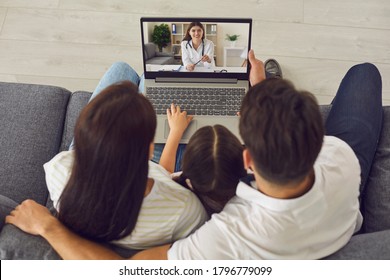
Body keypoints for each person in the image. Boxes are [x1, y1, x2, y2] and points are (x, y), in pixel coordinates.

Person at [5, 50, 382, 260]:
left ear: (247, 160)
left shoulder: (223, 235)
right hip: (339, 220)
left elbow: (122, 269)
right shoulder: (342, 160)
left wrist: (49, 226)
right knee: (365, 72)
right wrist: (265, 91)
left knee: (124, 69)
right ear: (317, 140)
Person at [37, 80, 209, 250]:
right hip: (103, 151)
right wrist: (176, 132)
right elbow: (163, 177)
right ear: (149, 150)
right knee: (139, 76)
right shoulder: (184, 210)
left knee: (131, 77)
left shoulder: (58, 168)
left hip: (90, 153)